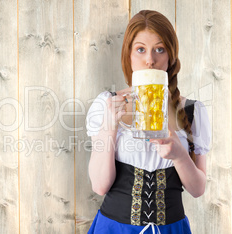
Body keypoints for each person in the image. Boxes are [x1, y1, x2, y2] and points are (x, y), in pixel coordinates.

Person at [86, 10, 211, 233]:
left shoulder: (192, 111)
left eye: (159, 49)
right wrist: (109, 127)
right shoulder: (107, 103)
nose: (150, 60)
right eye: (141, 49)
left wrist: (180, 156)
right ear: (129, 55)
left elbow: (198, 189)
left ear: (170, 56)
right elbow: (100, 185)